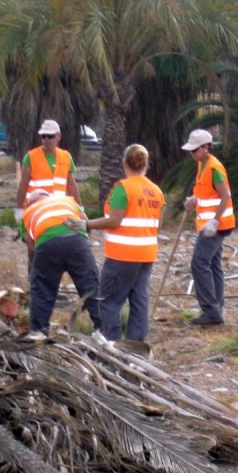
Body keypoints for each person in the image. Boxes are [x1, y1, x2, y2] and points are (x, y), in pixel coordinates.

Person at [65, 144, 165, 343]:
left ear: (124, 164)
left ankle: (111, 344)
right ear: (146, 164)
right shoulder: (156, 192)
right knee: (139, 300)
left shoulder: (123, 189)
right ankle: (136, 347)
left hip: (122, 256)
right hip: (146, 255)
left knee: (109, 301)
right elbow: (158, 226)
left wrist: (85, 225)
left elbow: (114, 220)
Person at [22, 191, 101, 337]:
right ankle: (105, 331)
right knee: (92, 287)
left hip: (47, 244)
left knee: (42, 291)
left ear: (31, 203)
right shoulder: (68, 200)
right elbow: (86, 224)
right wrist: (86, 245)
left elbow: (30, 244)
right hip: (76, 239)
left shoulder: (29, 212)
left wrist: (36, 267)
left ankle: (39, 333)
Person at [181, 129, 236, 326]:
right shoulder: (201, 164)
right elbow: (205, 193)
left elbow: (225, 195)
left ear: (206, 147)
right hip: (210, 224)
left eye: (195, 150)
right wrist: (193, 200)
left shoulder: (214, 168)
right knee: (213, 265)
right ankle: (216, 309)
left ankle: (211, 311)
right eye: (191, 151)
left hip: (216, 225)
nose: (192, 154)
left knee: (199, 263)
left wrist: (215, 221)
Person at [15, 119, 85, 222]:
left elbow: (71, 185)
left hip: (58, 209)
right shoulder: (31, 157)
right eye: (43, 136)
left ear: (58, 136)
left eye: (50, 136)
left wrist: (80, 209)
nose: (46, 139)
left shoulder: (66, 157)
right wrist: (20, 210)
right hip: (36, 208)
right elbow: (23, 185)